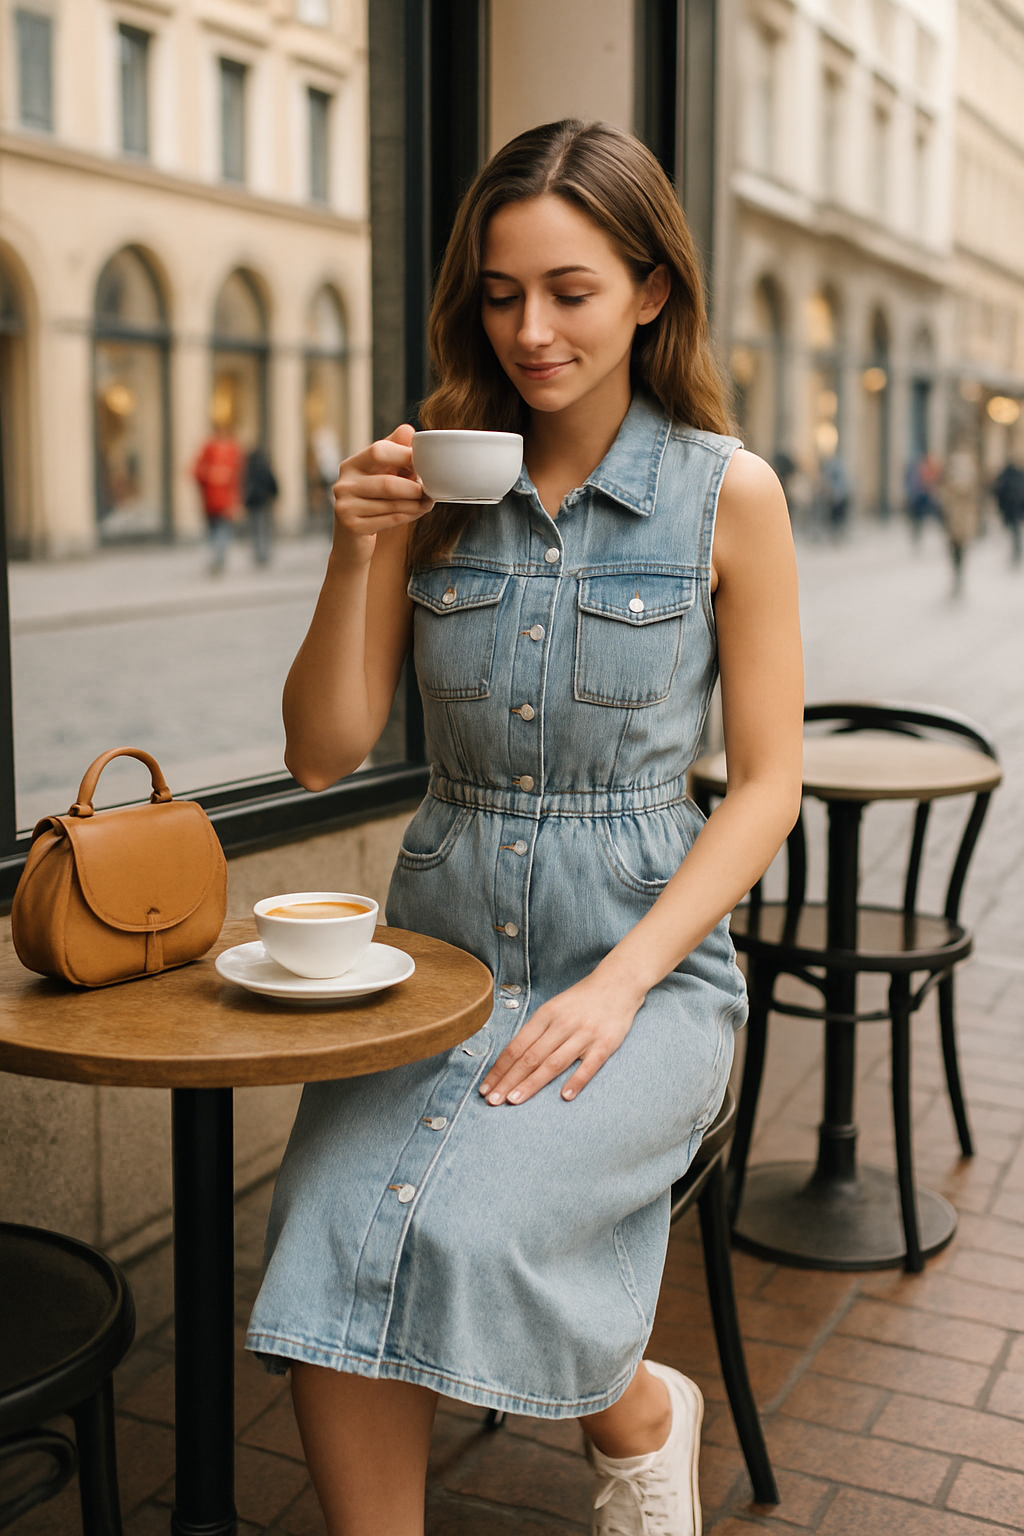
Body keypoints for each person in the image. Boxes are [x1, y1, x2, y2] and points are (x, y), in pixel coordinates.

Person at [246, 119, 803, 1536]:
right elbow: (318, 757)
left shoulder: (726, 495)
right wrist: (357, 544)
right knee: (325, 1223)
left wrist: (621, 984)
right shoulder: (430, 481)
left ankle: (637, 1414)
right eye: (502, 294)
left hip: (648, 969)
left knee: (466, 1222)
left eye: (571, 290)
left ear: (650, 291)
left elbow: (766, 787)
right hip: (438, 959)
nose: (533, 329)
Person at [193, 425, 243, 574]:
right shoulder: (209, 449)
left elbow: (238, 478)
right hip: (211, 501)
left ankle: (218, 559)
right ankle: (217, 558)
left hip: (222, 501)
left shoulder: (232, 450)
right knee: (216, 530)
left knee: (221, 530)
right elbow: (197, 472)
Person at [941, 441, 982, 596]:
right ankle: (958, 573)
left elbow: (944, 497)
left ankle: (957, 573)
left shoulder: (952, 482)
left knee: (956, 549)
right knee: (959, 549)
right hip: (960, 521)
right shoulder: (969, 477)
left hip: (956, 521)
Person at [243, 444, 279, 566]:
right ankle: (263, 553)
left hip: (253, 502)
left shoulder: (249, 468)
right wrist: (274, 494)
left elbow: (244, 484)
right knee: (263, 527)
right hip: (263, 501)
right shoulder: (264, 466)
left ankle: (259, 553)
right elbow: (272, 482)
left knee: (256, 528)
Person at [991, 457, 1024, 565]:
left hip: (1015, 509)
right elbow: (999, 491)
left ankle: (1016, 552)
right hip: (1011, 509)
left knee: (1015, 532)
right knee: (1014, 532)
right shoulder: (1010, 475)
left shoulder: (1017, 475)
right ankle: (1016, 552)